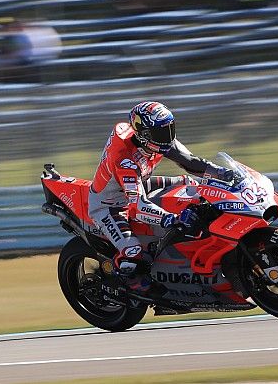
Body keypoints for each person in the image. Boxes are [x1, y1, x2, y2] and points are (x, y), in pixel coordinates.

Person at [88, 101, 233, 296]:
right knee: (133, 250)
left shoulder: (156, 141)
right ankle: (122, 282)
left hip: (140, 183)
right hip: (109, 205)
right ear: (144, 134)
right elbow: (137, 207)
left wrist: (222, 173)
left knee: (189, 183)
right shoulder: (125, 161)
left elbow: (189, 161)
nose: (168, 136)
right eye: (161, 132)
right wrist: (170, 218)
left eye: (169, 129)